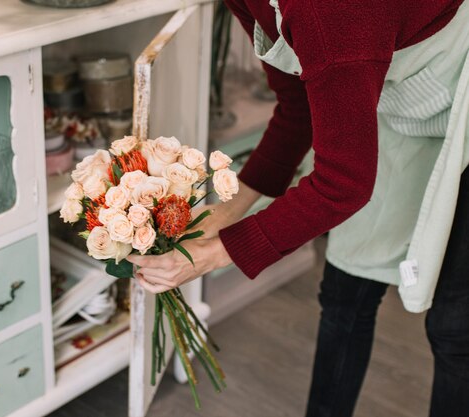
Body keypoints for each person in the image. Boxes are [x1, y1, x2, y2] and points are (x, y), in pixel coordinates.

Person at [126, 0, 469, 416]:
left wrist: (215, 254)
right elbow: (299, 110)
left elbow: (343, 184)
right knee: (346, 297)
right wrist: (230, 210)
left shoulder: (328, 11)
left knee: (454, 328)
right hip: (404, 104)